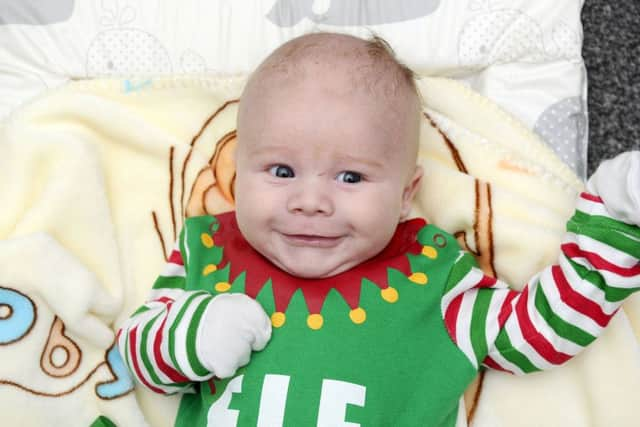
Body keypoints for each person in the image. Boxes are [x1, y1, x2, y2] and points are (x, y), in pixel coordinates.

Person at [117, 32, 640, 426]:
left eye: (350, 177)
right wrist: (193, 333)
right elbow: (139, 352)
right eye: (281, 172)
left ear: (406, 192)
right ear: (237, 171)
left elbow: (537, 334)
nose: (311, 202)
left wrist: (612, 222)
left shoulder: (433, 279)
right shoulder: (209, 250)